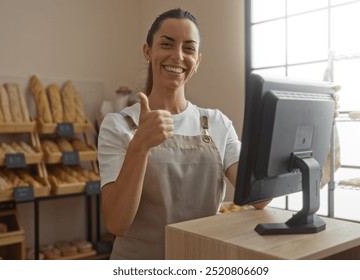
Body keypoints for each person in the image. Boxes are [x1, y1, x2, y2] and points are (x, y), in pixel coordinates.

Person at [98, 8, 266, 260]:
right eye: (166, 44)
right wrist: (140, 146)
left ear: (197, 60)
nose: (177, 56)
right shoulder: (118, 124)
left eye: (189, 49)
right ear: (148, 51)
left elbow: (260, 198)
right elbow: (117, 223)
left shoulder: (217, 122)